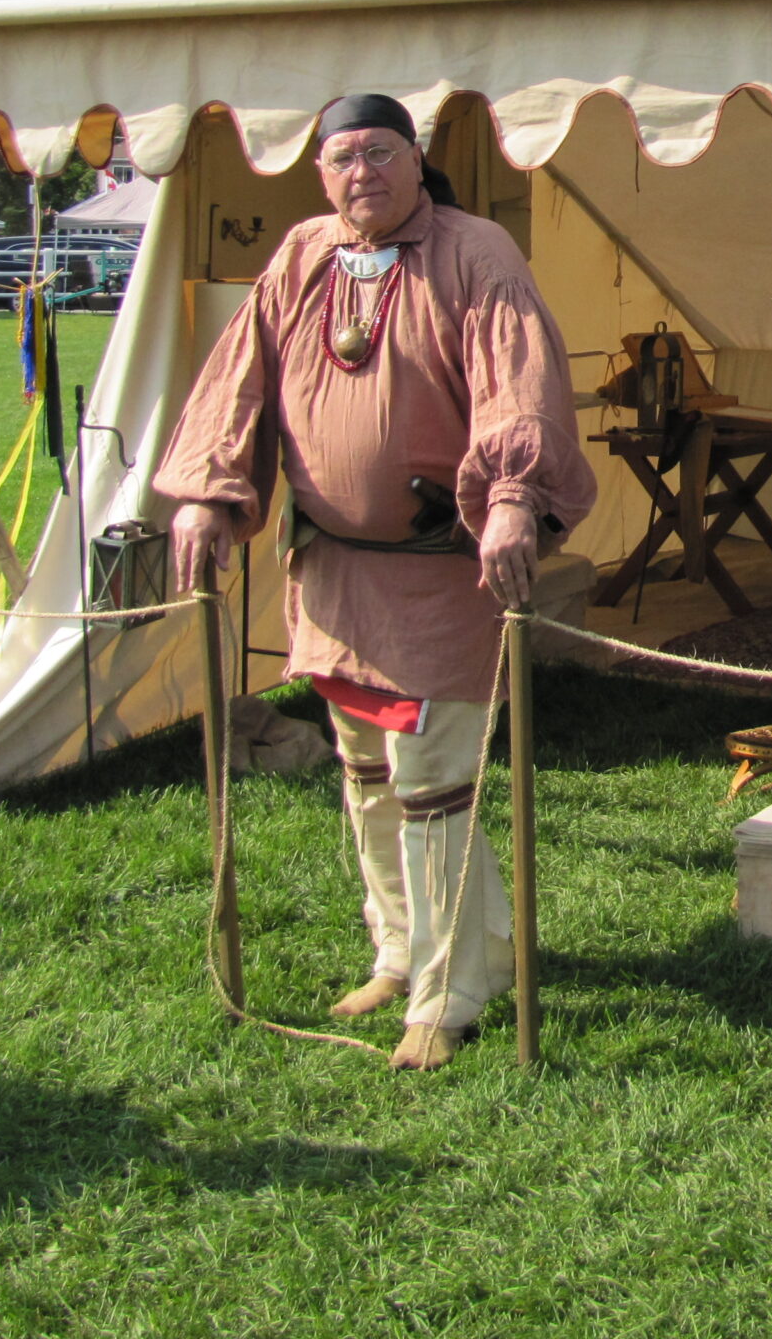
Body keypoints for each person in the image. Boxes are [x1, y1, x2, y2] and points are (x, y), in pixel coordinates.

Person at [154, 92, 596, 1069]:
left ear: (415, 158)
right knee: (366, 776)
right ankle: (402, 952)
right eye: (345, 156)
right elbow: (237, 380)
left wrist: (513, 497)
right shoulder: (302, 255)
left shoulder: (475, 252)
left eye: (383, 152)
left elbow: (519, 382)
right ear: (321, 172)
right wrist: (208, 494)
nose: (364, 173)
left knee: (434, 783)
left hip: (441, 576)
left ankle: (450, 994)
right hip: (335, 576)